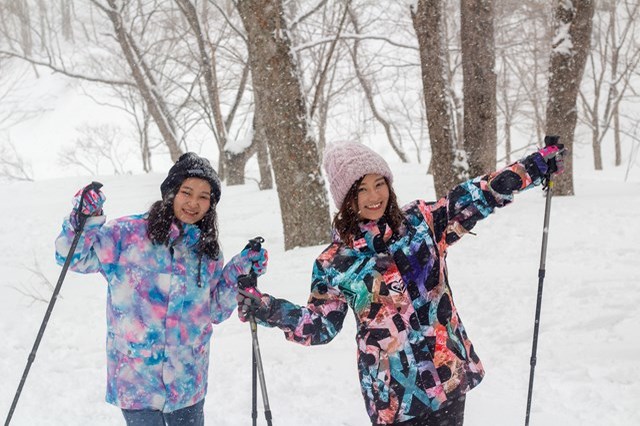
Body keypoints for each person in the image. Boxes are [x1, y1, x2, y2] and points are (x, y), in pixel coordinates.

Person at [237, 141, 565, 426]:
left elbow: (476, 196)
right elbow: (320, 326)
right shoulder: (334, 263)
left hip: (445, 374)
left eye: (378, 184)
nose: (373, 196)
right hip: (394, 397)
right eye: (360, 189)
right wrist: (268, 309)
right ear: (345, 199)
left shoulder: (422, 224)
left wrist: (533, 168)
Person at [55, 152, 267, 426]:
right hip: (137, 380)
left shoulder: (207, 251)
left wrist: (240, 268)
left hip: (187, 380)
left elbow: (214, 310)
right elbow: (71, 257)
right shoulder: (127, 234)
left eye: (203, 197)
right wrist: (84, 217)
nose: (193, 203)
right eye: (186, 192)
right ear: (171, 192)